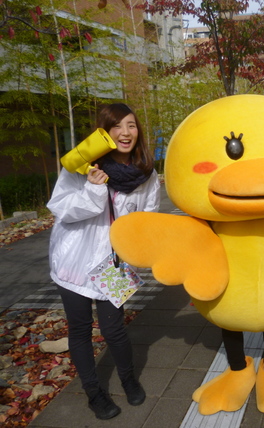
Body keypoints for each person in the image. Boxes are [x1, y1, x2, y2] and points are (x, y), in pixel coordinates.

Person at [47, 103, 160, 419]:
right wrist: (94, 191)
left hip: (113, 265)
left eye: (131, 125)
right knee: (80, 329)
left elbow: (147, 218)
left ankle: (128, 380)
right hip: (74, 260)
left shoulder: (146, 173)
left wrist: (138, 250)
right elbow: (62, 210)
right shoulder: (81, 166)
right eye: (117, 126)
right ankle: (94, 393)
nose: (125, 133)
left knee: (115, 330)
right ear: (104, 131)